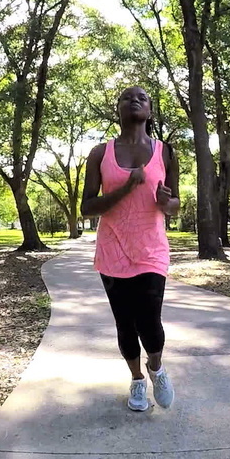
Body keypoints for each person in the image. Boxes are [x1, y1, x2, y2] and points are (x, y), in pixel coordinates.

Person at [81, 86, 180, 411]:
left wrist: (166, 203)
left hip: (151, 250)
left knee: (149, 321)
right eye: (127, 97)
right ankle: (137, 379)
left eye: (142, 98)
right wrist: (126, 188)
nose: (134, 100)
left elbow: (175, 205)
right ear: (118, 109)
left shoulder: (166, 152)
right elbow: (87, 208)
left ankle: (156, 369)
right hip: (113, 251)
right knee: (125, 323)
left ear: (150, 110)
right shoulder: (100, 153)